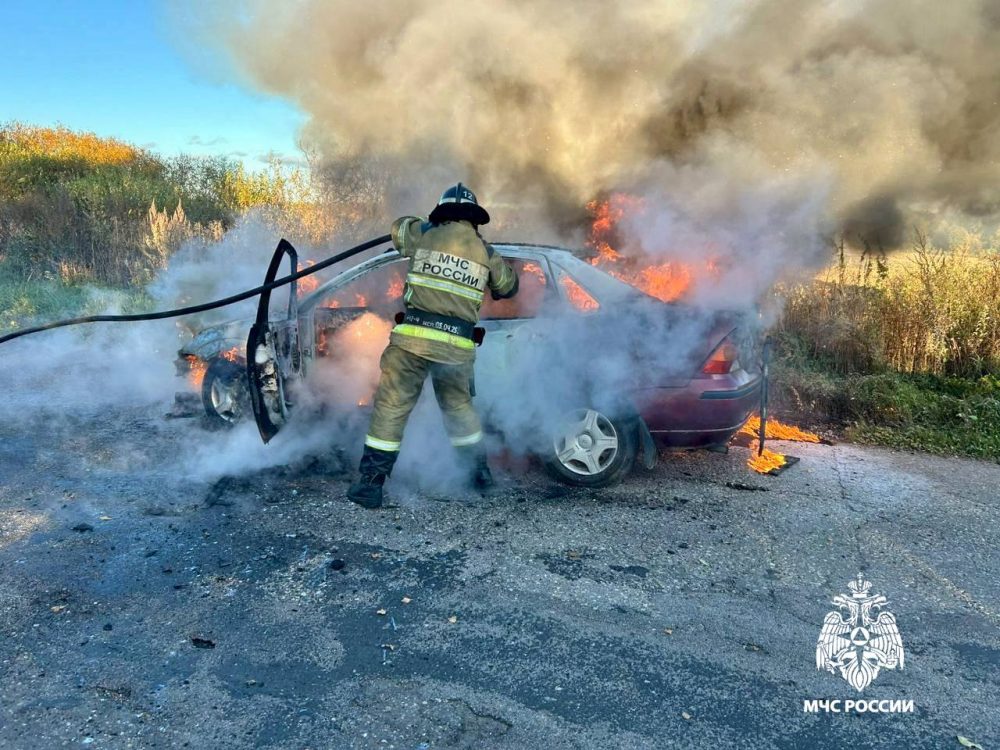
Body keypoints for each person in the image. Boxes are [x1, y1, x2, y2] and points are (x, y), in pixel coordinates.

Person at [347, 183, 519, 509]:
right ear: (475, 218)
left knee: (392, 408)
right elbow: (509, 286)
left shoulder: (424, 236)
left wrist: (425, 225)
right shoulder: (486, 251)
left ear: (440, 212)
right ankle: (479, 476)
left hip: (412, 341)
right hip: (456, 348)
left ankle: (370, 486)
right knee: (459, 410)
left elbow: (397, 229)